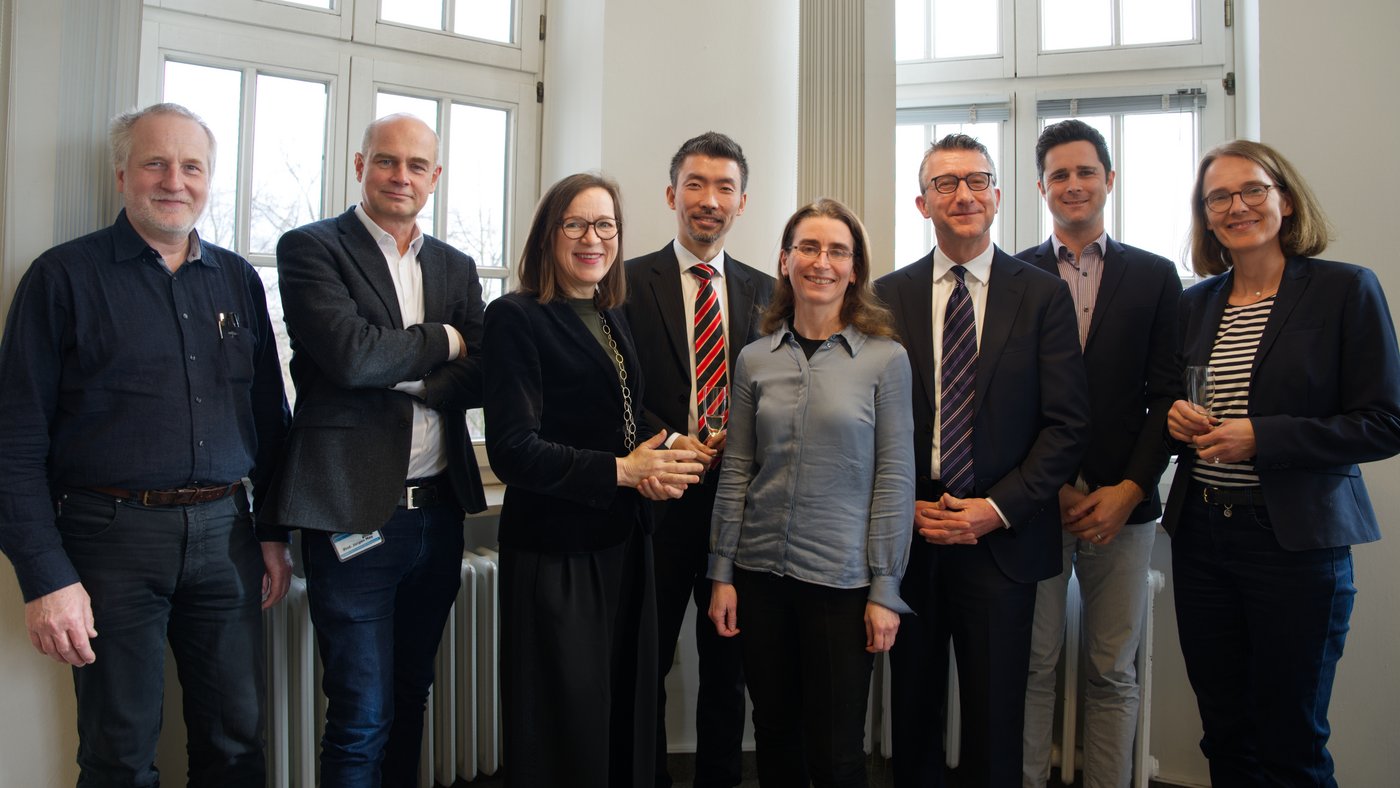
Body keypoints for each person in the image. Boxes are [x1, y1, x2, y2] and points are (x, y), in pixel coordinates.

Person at [0, 102, 291, 786]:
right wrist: (46, 577)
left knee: (236, 741)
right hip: (109, 540)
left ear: (208, 179)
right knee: (120, 753)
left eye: (192, 166)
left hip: (227, 536)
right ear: (123, 173)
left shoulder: (237, 281)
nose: (174, 180)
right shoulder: (61, 279)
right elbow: (13, 442)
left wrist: (272, 534)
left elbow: (268, 420)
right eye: (156, 162)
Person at [1164, 139, 1400, 787]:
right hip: (1204, 539)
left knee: (1291, 742)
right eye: (1219, 197)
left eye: (1252, 190)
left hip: (1295, 544)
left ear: (1285, 200)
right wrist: (1175, 421)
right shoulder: (1195, 303)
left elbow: (1384, 422)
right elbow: (1176, 402)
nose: (1237, 206)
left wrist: (1262, 438)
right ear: (1206, 216)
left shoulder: (1344, 290)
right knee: (1225, 735)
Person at [268, 113, 488, 787]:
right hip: (350, 517)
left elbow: (484, 370)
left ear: (435, 177)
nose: (401, 176)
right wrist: (445, 340)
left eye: (416, 166)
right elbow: (351, 356)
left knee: (411, 693)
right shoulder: (311, 248)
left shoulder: (455, 265)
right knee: (361, 711)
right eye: (386, 162)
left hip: (438, 516)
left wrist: (398, 368)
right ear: (359, 166)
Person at [875, 133, 1090, 788]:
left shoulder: (1044, 295)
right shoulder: (885, 298)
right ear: (921, 203)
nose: (962, 194)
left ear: (998, 195)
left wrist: (994, 511)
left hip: (1003, 536)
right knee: (909, 715)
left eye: (977, 180)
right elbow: (869, 423)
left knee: (997, 723)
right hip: (913, 530)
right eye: (945, 183)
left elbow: (1066, 427)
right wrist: (899, 503)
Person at [484, 172, 705, 787]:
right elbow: (512, 450)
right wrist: (622, 471)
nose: (593, 238)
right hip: (557, 554)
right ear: (549, 234)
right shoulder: (515, 317)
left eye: (605, 225)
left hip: (623, 544)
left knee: (620, 710)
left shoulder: (611, 315)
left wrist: (660, 456)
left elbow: (619, 419)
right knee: (566, 726)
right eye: (576, 224)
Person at [707, 197, 914, 788]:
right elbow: (738, 469)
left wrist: (886, 587)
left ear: (854, 268)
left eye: (837, 251)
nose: (821, 262)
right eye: (809, 247)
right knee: (773, 735)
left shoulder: (885, 360)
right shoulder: (752, 359)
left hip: (843, 584)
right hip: (760, 575)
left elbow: (894, 480)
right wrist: (721, 572)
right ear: (784, 260)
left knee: (836, 752)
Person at [1016, 120, 1181, 788]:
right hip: (1035, 502)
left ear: (1109, 180)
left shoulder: (1155, 276)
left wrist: (1132, 490)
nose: (1074, 184)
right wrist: (1046, 483)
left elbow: (1167, 396)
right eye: (1060, 174)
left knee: (1113, 669)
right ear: (1041, 187)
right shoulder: (1014, 272)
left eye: (1086, 171)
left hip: (1126, 505)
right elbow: (1008, 396)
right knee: (1032, 664)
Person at [624, 131, 773, 788]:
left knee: (729, 672)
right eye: (695, 185)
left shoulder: (772, 295)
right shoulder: (624, 285)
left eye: (723, 188)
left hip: (740, 516)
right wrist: (669, 444)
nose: (708, 201)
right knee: (644, 666)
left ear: (743, 202)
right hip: (652, 508)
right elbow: (614, 391)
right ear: (671, 194)